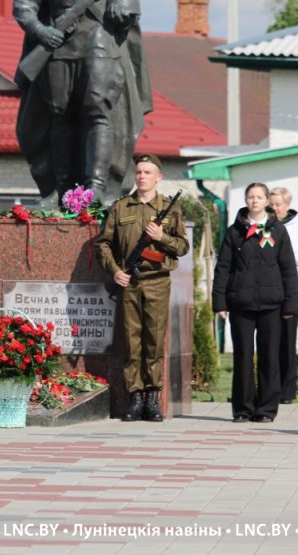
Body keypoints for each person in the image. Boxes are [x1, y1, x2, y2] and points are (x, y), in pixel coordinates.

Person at [13, 0, 152, 203]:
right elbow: (24, 3)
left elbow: (129, 6)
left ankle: (96, 189)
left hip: (100, 45)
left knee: (98, 112)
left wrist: (126, 7)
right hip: (58, 48)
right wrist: (41, 31)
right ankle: (63, 190)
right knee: (59, 115)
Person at [95, 154, 189, 422]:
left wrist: (162, 237)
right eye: (138, 172)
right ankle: (135, 397)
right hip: (130, 283)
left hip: (157, 281)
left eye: (148, 172)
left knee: (154, 342)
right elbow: (103, 244)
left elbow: (182, 246)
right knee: (131, 342)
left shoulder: (170, 209)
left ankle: (152, 397)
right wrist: (115, 271)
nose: (142, 176)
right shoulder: (121, 207)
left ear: (158, 177)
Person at [212, 183, 298, 424]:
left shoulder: (278, 231)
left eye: (259, 197)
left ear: (266, 201)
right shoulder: (234, 232)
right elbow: (223, 268)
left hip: (272, 305)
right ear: (246, 200)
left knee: (269, 356)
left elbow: (288, 269)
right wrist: (220, 302)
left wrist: (291, 305)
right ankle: (243, 409)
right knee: (243, 356)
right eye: (250, 197)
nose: (254, 201)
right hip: (241, 304)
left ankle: (266, 409)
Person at [268, 186, 298, 404]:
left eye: (278, 204)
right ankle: (269, 388)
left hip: (289, 293)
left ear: (287, 205)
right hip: (267, 292)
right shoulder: (264, 227)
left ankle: (286, 391)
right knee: (269, 343)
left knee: (286, 343)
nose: (274, 208)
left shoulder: (297, 229)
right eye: (271, 204)